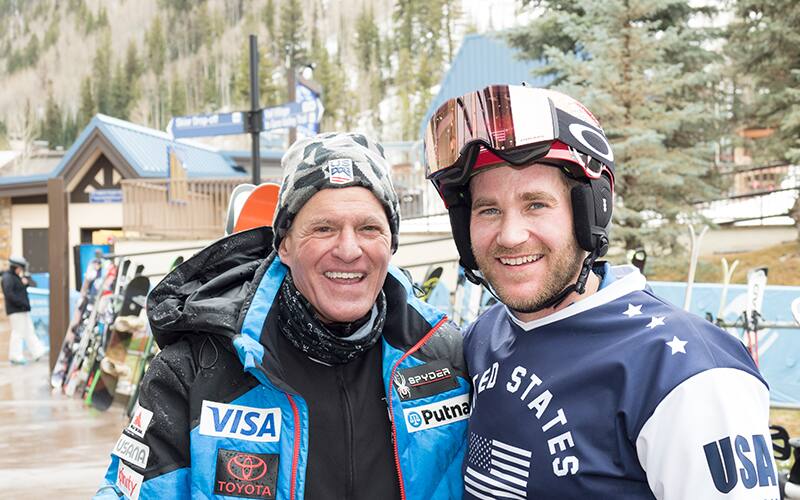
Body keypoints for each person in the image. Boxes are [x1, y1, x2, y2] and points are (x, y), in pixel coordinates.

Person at [424, 85, 779, 499]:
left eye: (536, 204)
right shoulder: (486, 334)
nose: (510, 235)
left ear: (591, 208)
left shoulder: (686, 371)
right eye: (489, 210)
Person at [95, 133, 470, 500]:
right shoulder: (193, 372)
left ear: (391, 242)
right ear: (284, 245)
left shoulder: (446, 353)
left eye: (369, 228)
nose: (349, 249)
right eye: (324, 228)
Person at [2, 255, 47, 365]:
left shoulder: (16, 277)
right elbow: (9, 294)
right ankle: (15, 356)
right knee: (18, 333)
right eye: (20, 268)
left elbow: (30, 285)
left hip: (22, 309)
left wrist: (25, 283)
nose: (21, 270)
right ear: (15, 267)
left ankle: (37, 351)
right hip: (16, 310)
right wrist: (21, 304)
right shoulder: (8, 277)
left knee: (29, 331)